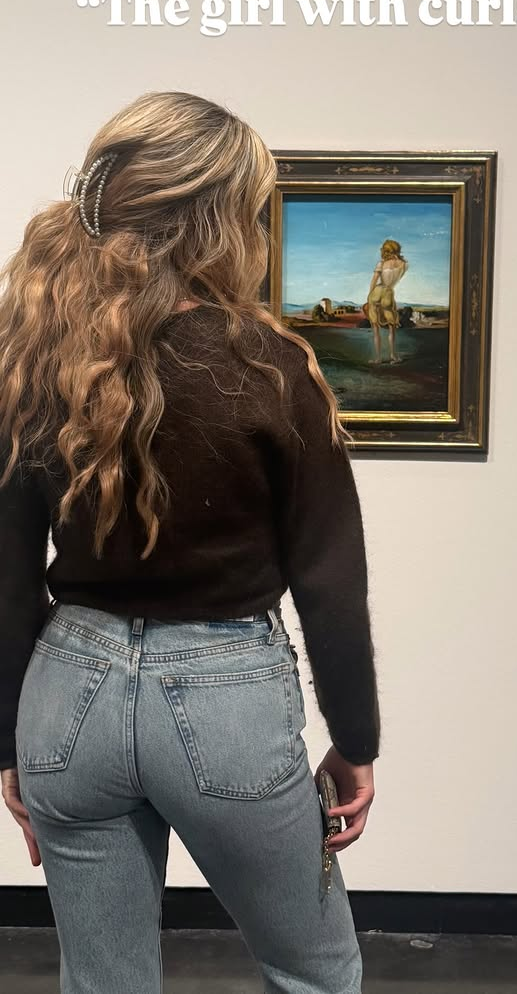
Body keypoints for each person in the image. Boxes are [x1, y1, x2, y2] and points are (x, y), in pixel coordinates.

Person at [0, 91, 380, 994]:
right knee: (315, 972)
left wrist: (8, 742)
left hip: (66, 699)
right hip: (224, 703)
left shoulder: (35, 357)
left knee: (103, 984)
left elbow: (7, 578)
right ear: (220, 220)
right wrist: (355, 741)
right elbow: (330, 581)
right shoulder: (270, 365)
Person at [365, 238, 409, 364]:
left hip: (376, 292)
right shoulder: (403, 265)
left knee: (375, 329)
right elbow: (397, 276)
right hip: (388, 294)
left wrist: (369, 297)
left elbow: (373, 281)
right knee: (391, 328)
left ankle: (378, 358)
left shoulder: (381, 264)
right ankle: (393, 356)